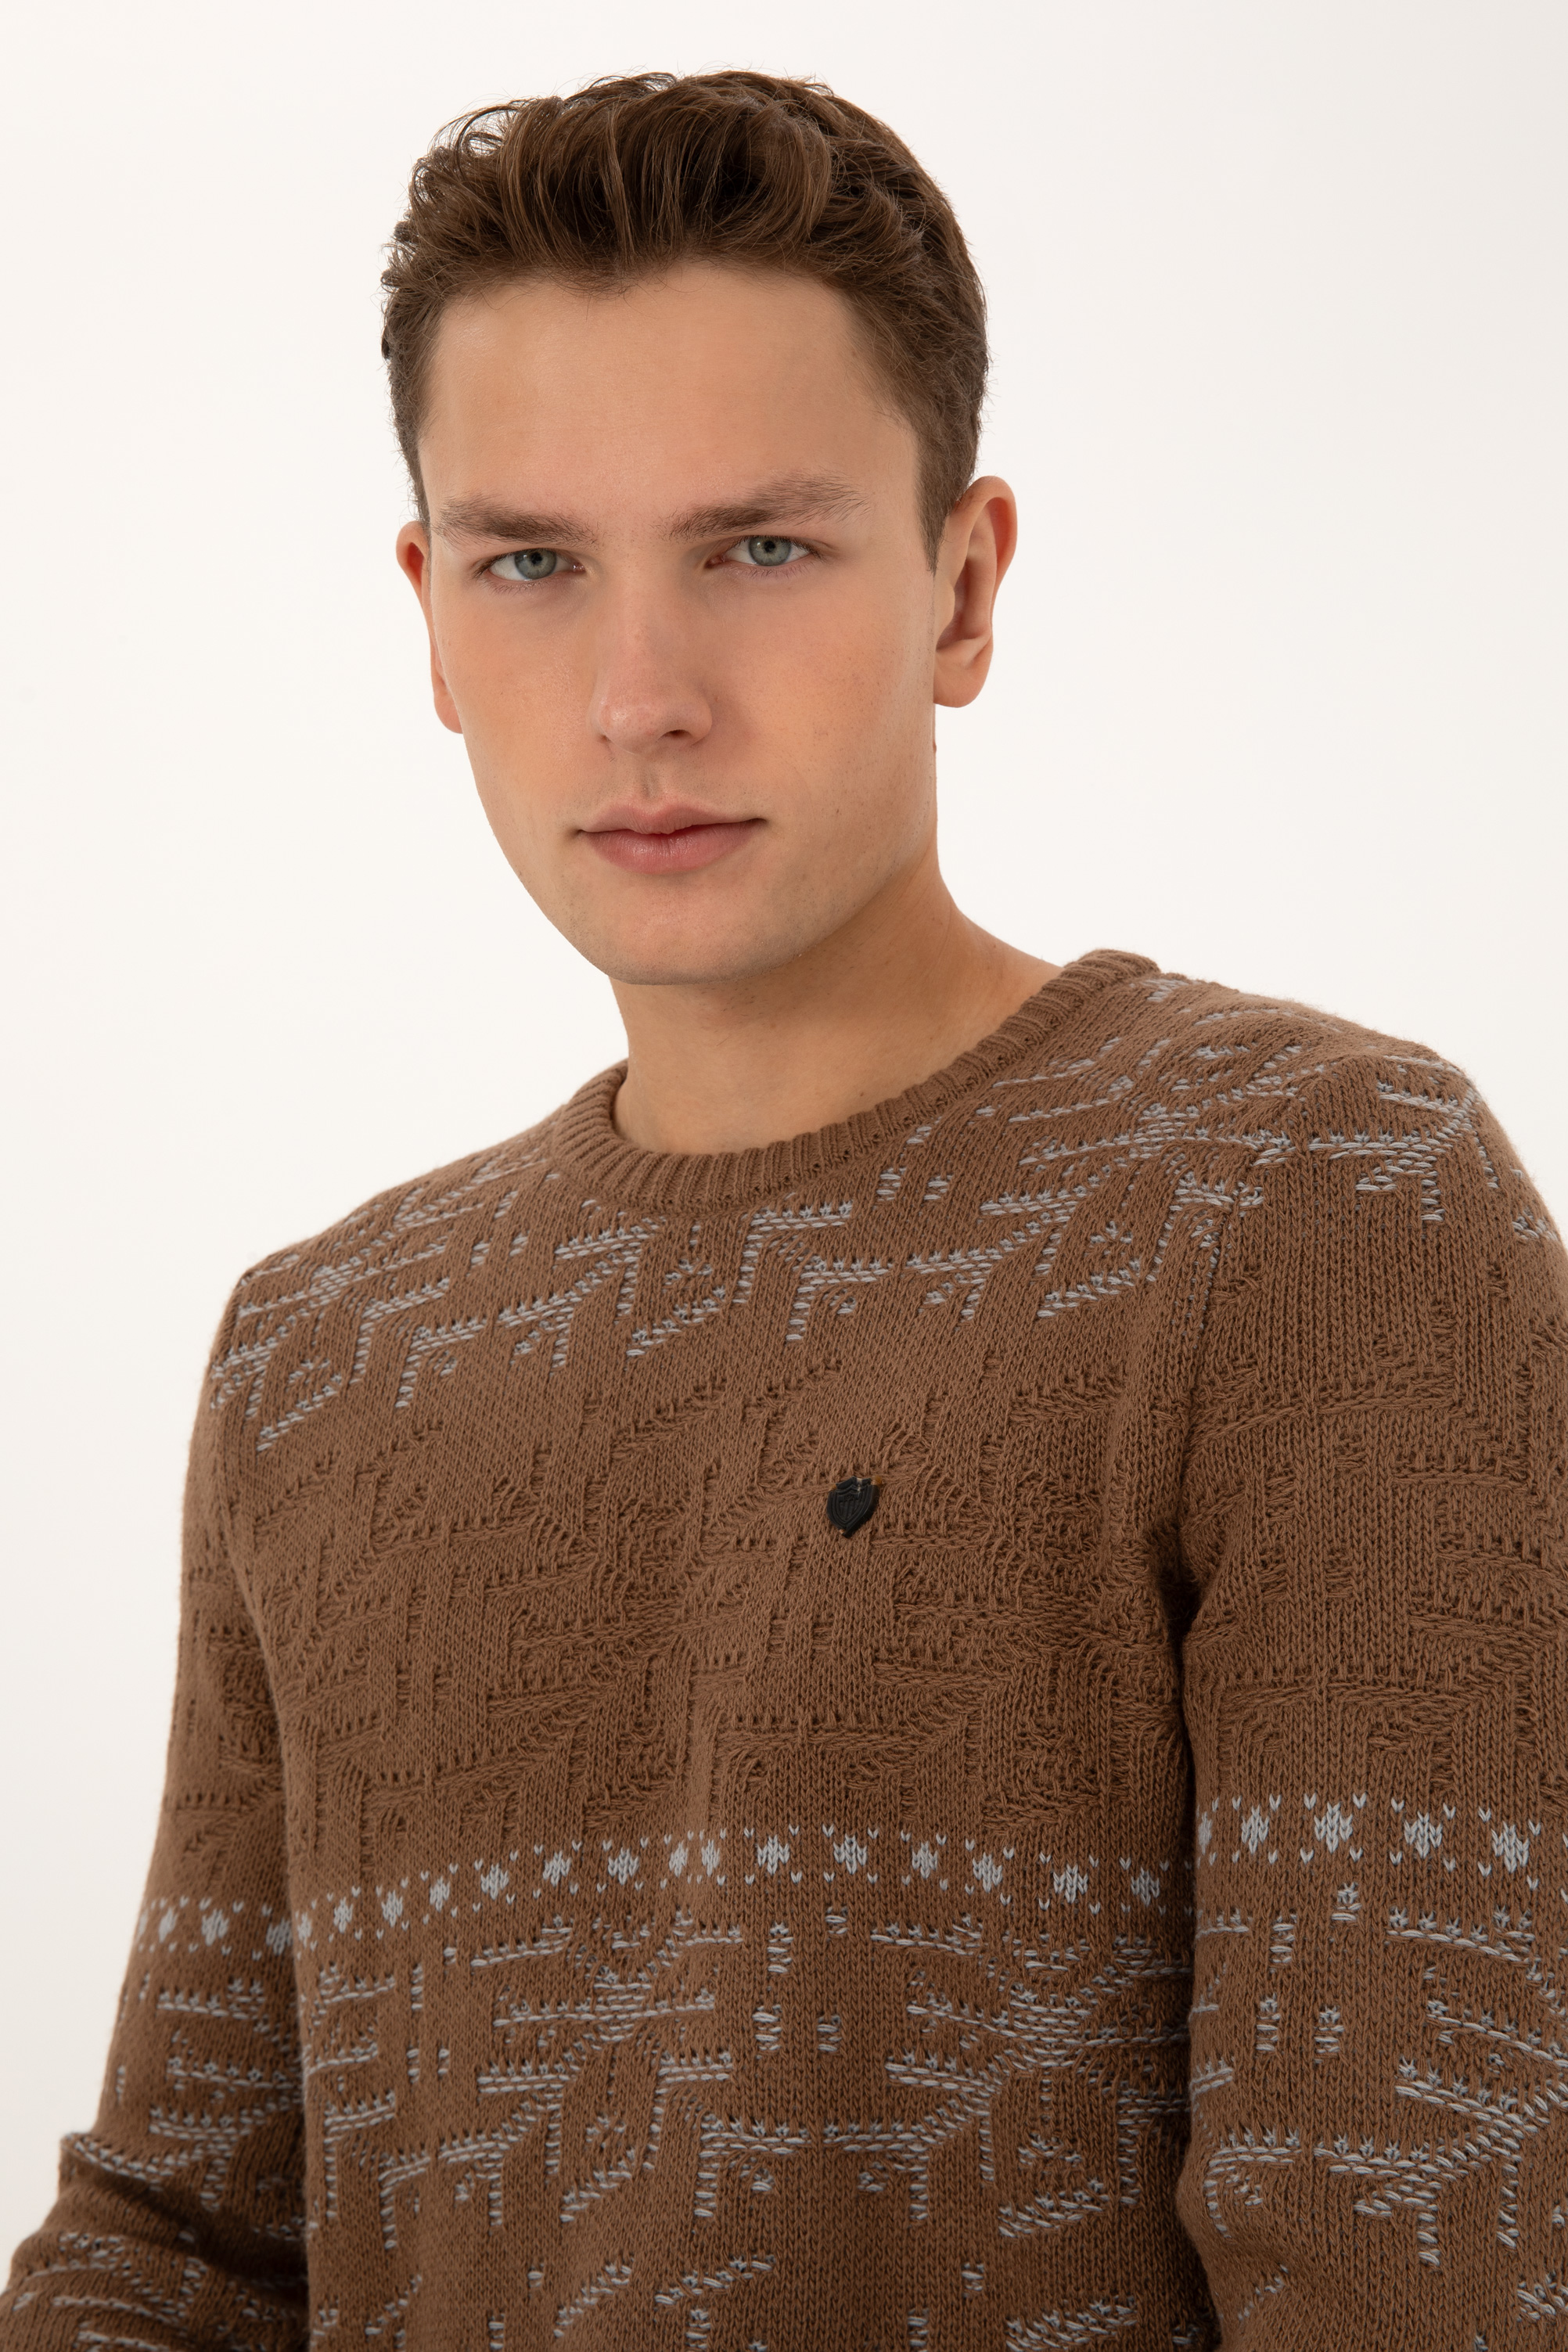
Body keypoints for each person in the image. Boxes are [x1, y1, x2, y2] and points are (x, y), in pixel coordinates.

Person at [3, 69, 1563, 2352]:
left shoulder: (1311, 1211)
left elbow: (1418, 2249)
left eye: (756, 549)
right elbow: (183, 2247)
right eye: (534, 564)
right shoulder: (322, 1354)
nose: (641, 699)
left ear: (962, 585)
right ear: (428, 618)